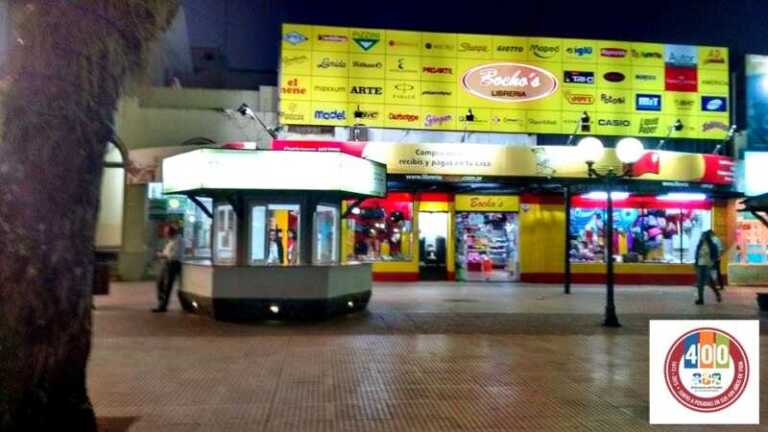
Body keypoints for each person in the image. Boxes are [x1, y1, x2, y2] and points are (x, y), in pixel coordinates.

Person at [152, 225, 183, 313]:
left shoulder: (179, 241)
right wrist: (162, 254)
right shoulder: (171, 241)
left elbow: (174, 255)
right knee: (160, 283)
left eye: (166, 232)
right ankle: (161, 303)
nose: (165, 234)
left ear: (171, 232)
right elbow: (168, 252)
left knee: (167, 285)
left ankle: (163, 306)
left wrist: (162, 255)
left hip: (173, 264)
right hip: (166, 263)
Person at [694, 230, 722, 305]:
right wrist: (696, 263)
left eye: (703, 236)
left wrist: (712, 262)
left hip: (707, 265)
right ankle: (700, 299)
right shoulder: (699, 245)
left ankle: (717, 294)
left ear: (707, 237)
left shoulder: (712, 245)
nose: (702, 237)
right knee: (700, 282)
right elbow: (697, 254)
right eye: (701, 236)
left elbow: (715, 255)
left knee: (709, 281)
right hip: (700, 264)